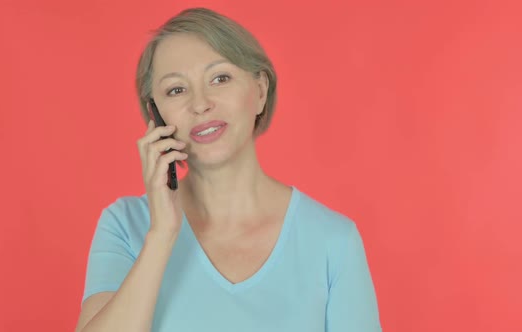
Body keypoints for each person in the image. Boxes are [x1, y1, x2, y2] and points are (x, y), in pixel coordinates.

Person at [75, 7, 382, 332]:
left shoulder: (333, 241)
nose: (200, 104)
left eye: (220, 78)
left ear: (260, 91)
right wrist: (162, 235)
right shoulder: (125, 226)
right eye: (176, 90)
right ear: (155, 116)